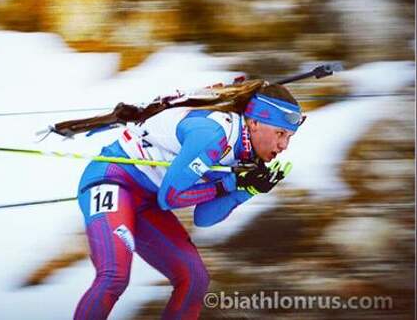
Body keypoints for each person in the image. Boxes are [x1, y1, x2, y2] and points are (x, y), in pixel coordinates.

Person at [73, 82, 304, 319]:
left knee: (194, 279)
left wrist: (248, 190)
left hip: (148, 200)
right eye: (280, 133)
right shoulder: (213, 135)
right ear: (254, 122)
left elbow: (203, 218)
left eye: (289, 137)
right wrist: (231, 184)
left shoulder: (246, 154)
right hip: (113, 179)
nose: (284, 145)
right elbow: (171, 198)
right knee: (115, 275)